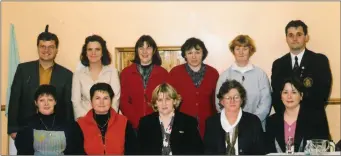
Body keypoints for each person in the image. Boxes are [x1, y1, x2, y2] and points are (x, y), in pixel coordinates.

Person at [7, 25, 74, 140]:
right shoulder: (23, 70)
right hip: (26, 129)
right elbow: (14, 99)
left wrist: (68, 131)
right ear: (37, 48)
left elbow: (68, 106)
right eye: (43, 46)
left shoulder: (67, 75)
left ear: (56, 49)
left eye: (51, 47)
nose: (46, 50)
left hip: (56, 131)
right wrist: (13, 129)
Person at [271, 20, 332, 114]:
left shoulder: (319, 61)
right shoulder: (278, 64)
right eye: (290, 35)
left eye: (299, 34)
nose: (294, 38)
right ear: (286, 38)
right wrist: (288, 117)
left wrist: (302, 117)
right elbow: (276, 96)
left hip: (313, 120)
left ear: (306, 37)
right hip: (286, 121)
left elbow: (322, 94)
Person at [215, 35, 271, 131]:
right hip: (231, 127)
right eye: (238, 49)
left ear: (250, 50)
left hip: (256, 126)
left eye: (245, 48)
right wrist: (232, 121)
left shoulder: (260, 74)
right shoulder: (225, 76)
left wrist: (252, 122)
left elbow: (265, 103)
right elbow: (219, 102)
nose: (241, 52)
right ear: (233, 51)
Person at [167, 37, 219, 138]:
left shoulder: (213, 73)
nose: (194, 56)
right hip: (182, 125)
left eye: (197, 52)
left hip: (208, 125)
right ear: (185, 55)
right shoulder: (175, 73)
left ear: (203, 53)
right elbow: (169, 99)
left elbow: (216, 101)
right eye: (190, 53)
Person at [265, 76, 330, 154]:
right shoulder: (271, 121)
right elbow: (268, 151)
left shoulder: (316, 118)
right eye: (285, 92)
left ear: (301, 95)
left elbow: (324, 148)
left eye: (294, 92)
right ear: (281, 96)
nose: (289, 96)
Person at [14, 85, 84, 155]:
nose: (46, 104)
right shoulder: (27, 125)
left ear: (55, 102)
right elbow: (23, 151)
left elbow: (76, 151)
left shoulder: (69, 125)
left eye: (50, 100)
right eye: (42, 100)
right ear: (36, 103)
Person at [137, 83, 203, 155]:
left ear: (174, 101)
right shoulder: (145, 123)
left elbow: (197, 151)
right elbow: (139, 151)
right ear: (155, 103)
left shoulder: (188, 122)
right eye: (160, 100)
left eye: (167, 99)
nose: (164, 103)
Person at [204, 79, 265, 155]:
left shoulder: (253, 121)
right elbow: (208, 151)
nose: (232, 101)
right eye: (228, 98)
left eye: (236, 97)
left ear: (242, 100)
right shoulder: (212, 122)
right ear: (221, 101)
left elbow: (260, 152)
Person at [120, 35, 168, 129]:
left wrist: (154, 120)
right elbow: (123, 101)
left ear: (154, 50)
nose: (144, 52)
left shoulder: (163, 73)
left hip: (157, 125)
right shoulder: (126, 73)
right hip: (133, 126)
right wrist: (137, 122)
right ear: (137, 51)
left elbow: (167, 101)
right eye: (141, 48)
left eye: (148, 48)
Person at [77, 83, 137, 155]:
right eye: (97, 98)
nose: (101, 102)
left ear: (111, 101)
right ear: (91, 101)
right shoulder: (80, 125)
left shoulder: (124, 122)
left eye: (105, 98)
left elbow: (133, 151)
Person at [72, 35, 120, 120]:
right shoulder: (78, 74)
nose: (93, 53)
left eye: (97, 49)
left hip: (108, 120)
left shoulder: (112, 72)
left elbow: (115, 98)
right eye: (90, 49)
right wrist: (85, 120)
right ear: (85, 53)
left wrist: (109, 119)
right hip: (84, 119)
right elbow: (76, 101)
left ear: (102, 52)